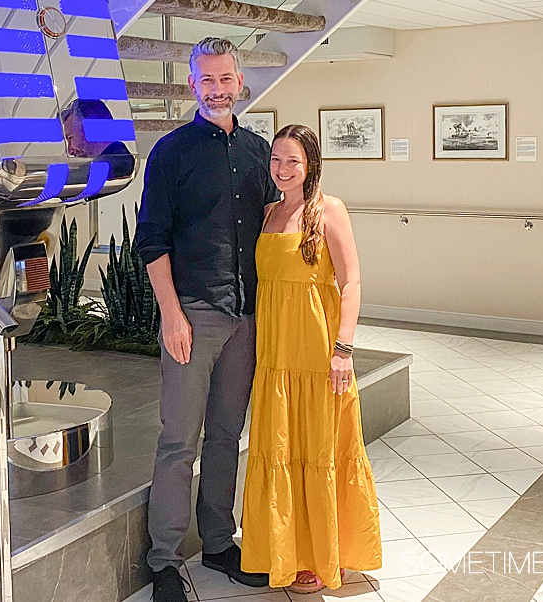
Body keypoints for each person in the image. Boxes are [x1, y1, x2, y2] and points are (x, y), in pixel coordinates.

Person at [134, 37, 279, 602]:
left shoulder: (257, 152)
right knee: (179, 439)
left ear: (239, 81)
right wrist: (171, 315)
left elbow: (275, 226)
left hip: (246, 317)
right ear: (191, 85)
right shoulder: (170, 153)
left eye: (225, 79)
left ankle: (219, 542)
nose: (217, 89)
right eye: (206, 80)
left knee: (227, 435)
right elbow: (152, 241)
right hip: (192, 314)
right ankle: (165, 559)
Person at [240, 123, 381, 593]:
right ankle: (287, 552)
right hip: (275, 358)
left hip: (319, 356)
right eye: (276, 159)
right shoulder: (267, 215)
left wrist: (343, 349)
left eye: (292, 161)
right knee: (281, 449)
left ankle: (324, 556)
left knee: (319, 451)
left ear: (311, 164)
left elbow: (352, 282)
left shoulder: (330, 210)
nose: (282, 169)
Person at [60, 97, 136, 179]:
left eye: (71, 138)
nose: (70, 151)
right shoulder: (118, 157)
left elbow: (73, 178)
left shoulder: (117, 163)